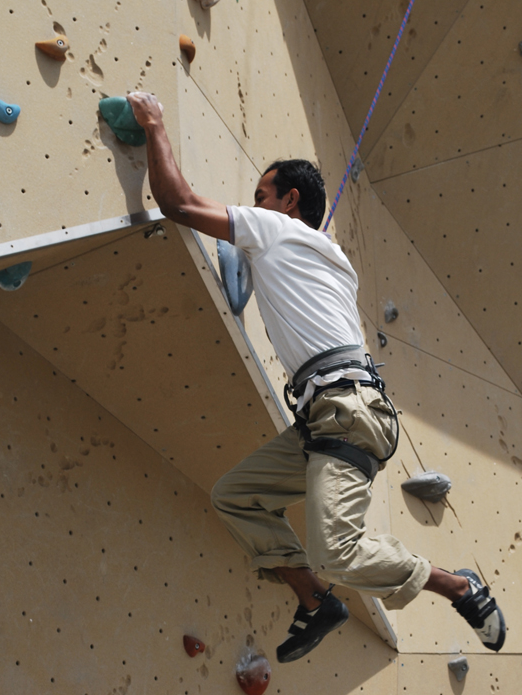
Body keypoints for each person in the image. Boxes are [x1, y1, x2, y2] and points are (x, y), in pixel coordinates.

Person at [127, 92, 506, 662]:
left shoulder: (278, 231)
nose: (250, 206)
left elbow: (178, 204)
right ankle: (316, 601)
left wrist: (154, 124)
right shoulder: (325, 257)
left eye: (260, 197)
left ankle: (458, 585)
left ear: (290, 201)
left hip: (344, 411)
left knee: (336, 552)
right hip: (328, 413)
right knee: (236, 495)